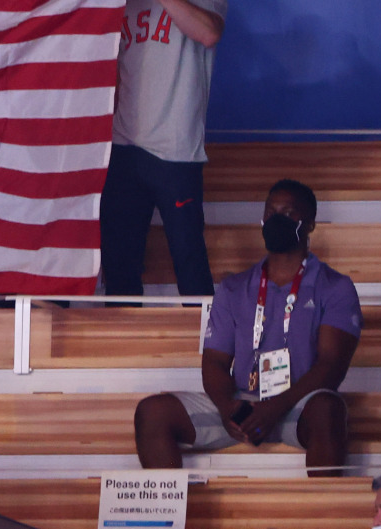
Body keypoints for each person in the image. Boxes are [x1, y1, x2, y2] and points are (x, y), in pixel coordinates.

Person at [133, 180, 361, 476]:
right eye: (271, 211)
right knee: (153, 413)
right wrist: (230, 409)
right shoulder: (234, 287)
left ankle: (323, 515)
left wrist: (275, 408)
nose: (276, 219)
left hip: (299, 404)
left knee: (328, 410)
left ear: (310, 224)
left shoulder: (335, 287)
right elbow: (214, 362)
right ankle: (171, 516)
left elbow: (331, 366)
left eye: (289, 213)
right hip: (244, 403)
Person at [100, 0, 227, 297]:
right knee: (119, 262)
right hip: (123, 144)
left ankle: (209, 352)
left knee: (188, 259)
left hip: (175, 149)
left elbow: (208, 32)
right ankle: (119, 350)